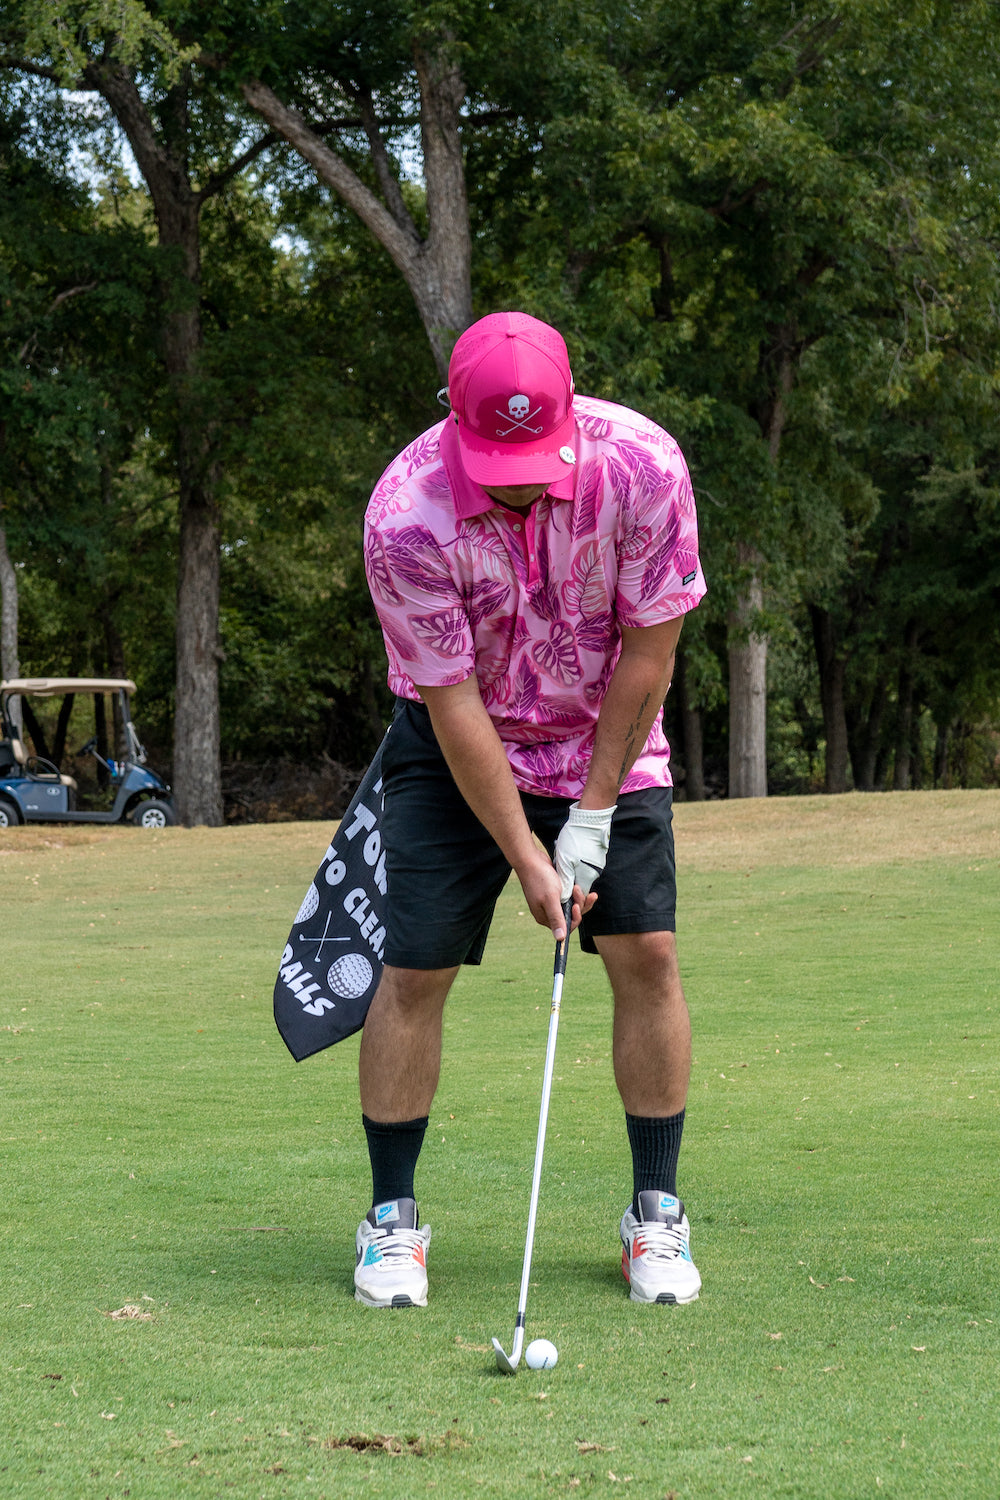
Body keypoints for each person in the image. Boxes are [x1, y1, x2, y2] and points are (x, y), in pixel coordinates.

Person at [355, 311, 706, 1310]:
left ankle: (655, 1213)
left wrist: (591, 815)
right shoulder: (403, 513)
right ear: (451, 419)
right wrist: (527, 856)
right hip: (457, 747)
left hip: (610, 735)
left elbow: (652, 652)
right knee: (415, 966)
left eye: (535, 454)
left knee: (648, 955)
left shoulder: (643, 466)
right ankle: (390, 1222)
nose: (518, 481)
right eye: (496, 457)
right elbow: (451, 699)